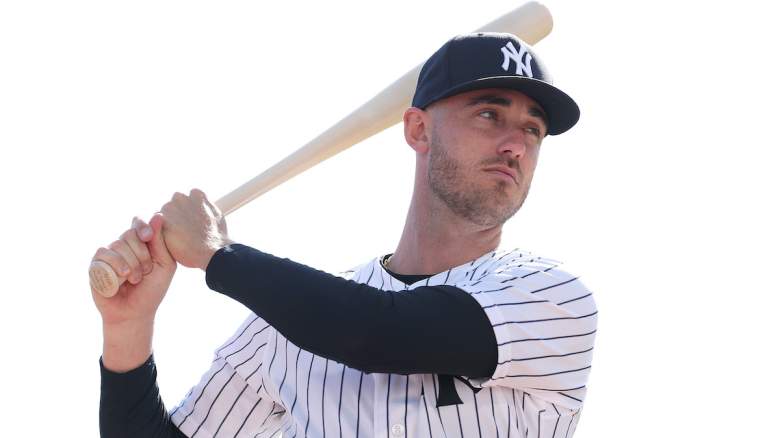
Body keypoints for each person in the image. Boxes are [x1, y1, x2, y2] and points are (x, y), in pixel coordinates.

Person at [92, 32, 597, 438]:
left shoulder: (550, 300)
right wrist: (128, 328)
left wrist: (218, 256)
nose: (515, 144)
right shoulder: (286, 323)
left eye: (533, 130)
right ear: (419, 131)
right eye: (490, 114)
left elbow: (386, 334)